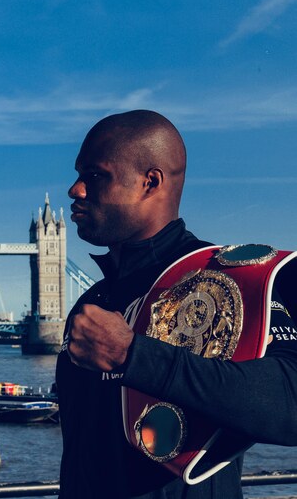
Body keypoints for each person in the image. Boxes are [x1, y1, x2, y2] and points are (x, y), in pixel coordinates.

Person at [57, 109, 297, 498]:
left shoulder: (233, 279)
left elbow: (291, 403)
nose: (76, 190)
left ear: (149, 183)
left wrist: (134, 355)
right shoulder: (94, 300)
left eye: (95, 175)